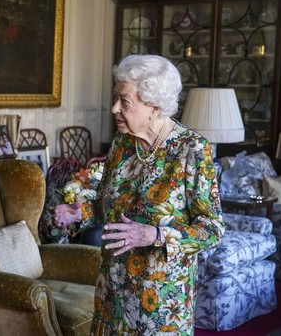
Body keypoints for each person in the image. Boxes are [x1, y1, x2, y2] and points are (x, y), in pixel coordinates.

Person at [91, 55, 225, 335]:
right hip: (112, 292)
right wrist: (76, 212)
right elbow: (103, 204)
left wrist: (155, 235)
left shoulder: (192, 150)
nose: (114, 108)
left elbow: (212, 230)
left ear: (154, 106)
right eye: (116, 97)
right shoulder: (122, 144)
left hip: (160, 301)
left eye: (124, 101)